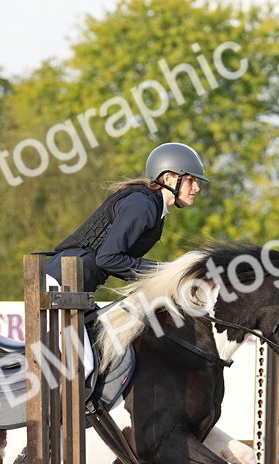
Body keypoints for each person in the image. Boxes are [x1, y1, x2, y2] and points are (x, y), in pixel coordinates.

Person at [44, 142, 209, 375]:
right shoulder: (142, 205)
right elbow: (108, 258)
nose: (196, 188)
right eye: (192, 180)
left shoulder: (152, 206)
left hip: (77, 287)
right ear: (170, 178)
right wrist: (163, 273)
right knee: (86, 365)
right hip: (62, 283)